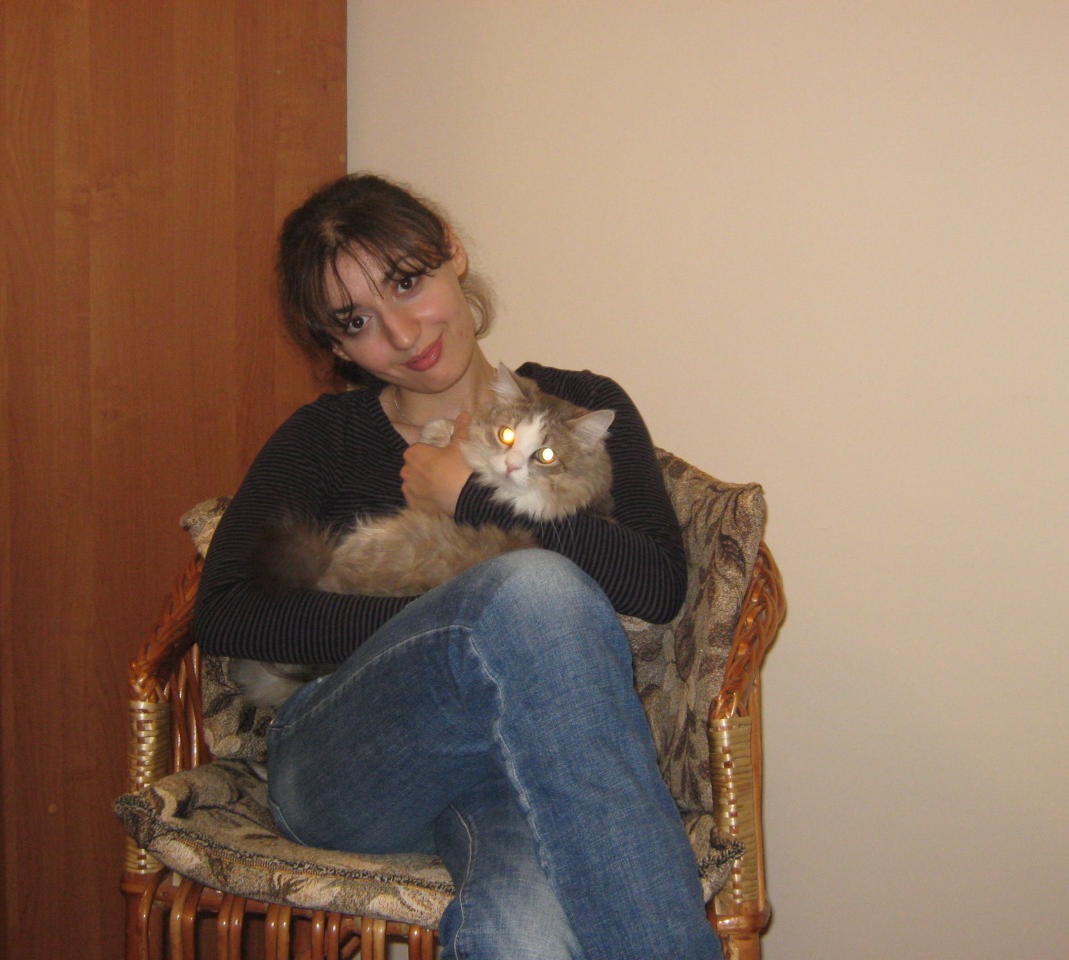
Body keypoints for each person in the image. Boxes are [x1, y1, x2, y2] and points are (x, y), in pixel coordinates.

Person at [194, 173, 721, 960]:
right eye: (357, 321)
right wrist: (459, 630)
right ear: (336, 346)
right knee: (531, 589)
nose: (404, 333)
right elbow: (225, 612)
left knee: (525, 937)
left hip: (520, 766)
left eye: (408, 282)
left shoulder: (577, 403)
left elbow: (658, 583)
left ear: (452, 254)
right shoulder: (321, 438)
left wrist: (471, 497)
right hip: (347, 766)